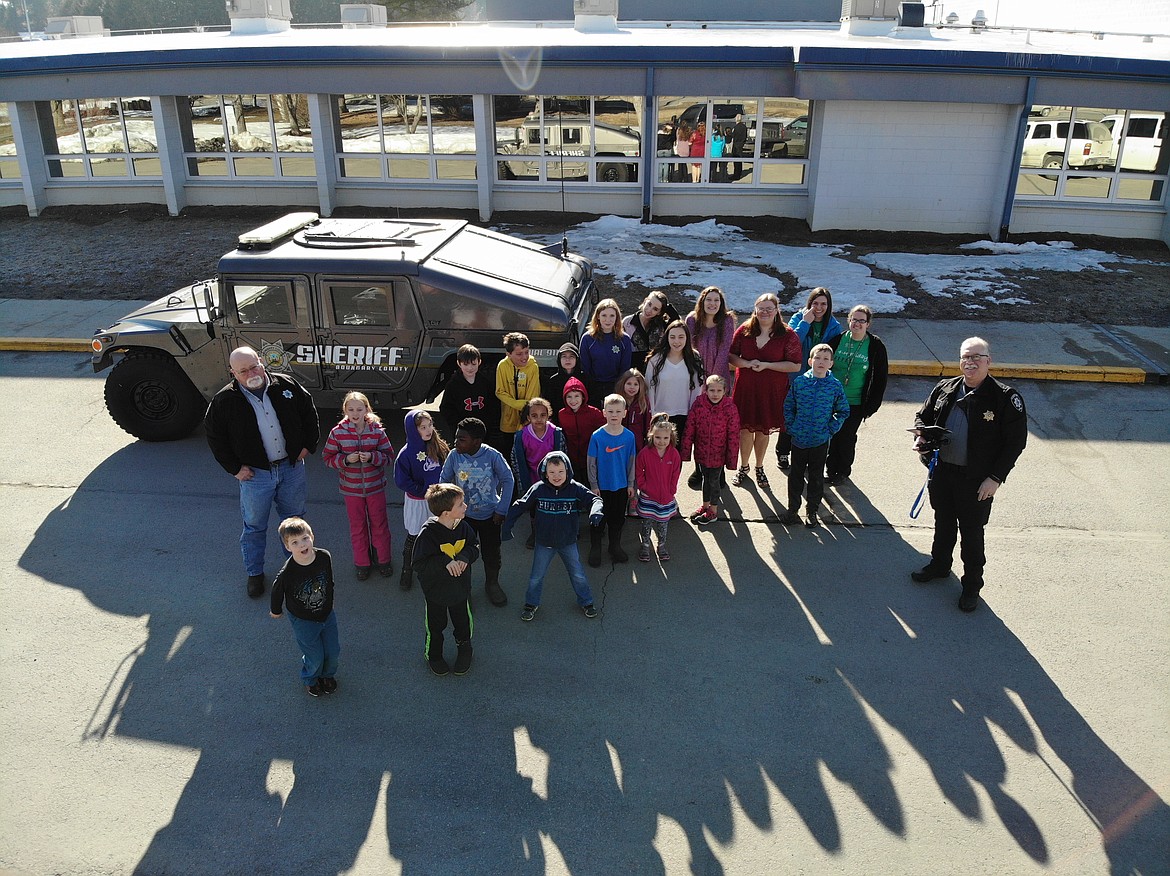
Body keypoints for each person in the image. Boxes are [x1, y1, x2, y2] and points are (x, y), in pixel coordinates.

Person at [911, 337, 1027, 613]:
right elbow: (922, 416)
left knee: (972, 533)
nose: (970, 362)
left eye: (977, 357)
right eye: (966, 357)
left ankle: (972, 586)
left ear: (989, 361)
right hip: (943, 472)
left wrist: (995, 478)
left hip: (977, 479)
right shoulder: (945, 388)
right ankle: (939, 565)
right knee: (944, 523)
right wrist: (921, 436)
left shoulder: (1004, 397)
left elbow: (1015, 442)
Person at [205, 345, 320, 599]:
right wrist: (235, 469)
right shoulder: (225, 400)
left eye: (254, 366)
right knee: (255, 527)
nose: (251, 373)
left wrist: (307, 446)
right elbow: (215, 437)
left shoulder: (286, 385)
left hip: (291, 469)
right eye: (243, 370)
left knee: (295, 522)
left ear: (262, 361)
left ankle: (296, 569)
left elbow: (309, 413)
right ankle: (255, 573)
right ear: (233, 373)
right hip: (256, 476)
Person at [502, 451, 604, 622]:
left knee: (577, 574)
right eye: (552, 472)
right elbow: (520, 505)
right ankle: (531, 603)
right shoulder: (539, 489)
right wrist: (507, 525)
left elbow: (595, 500)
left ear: (567, 471)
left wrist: (596, 511)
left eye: (561, 472)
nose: (557, 476)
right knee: (536, 576)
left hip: (568, 541)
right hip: (544, 542)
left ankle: (586, 601)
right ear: (545, 473)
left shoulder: (575, 488)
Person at [728, 293, 802, 489]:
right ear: (755, 309)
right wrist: (746, 363)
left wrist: (768, 365)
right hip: (746, 388)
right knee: (744, 429)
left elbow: (795, 365)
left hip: (771, 391)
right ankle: (743, 466)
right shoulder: (744, 330)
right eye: (761, 308)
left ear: (777, 310)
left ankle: (759, 466)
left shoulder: (787, 335)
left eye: (770, 308)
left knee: (763, 429)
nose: (765, 312)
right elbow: (731, 356)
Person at [439, 417, 514, 607]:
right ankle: (464, 588)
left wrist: (501, 509)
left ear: (477, 441)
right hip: (464, 518)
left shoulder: (492, 456)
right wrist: (447, 510)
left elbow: (508, 480)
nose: (456, 442)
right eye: (456, 438)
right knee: (463, 554)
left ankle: (492, 583)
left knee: (491, 553)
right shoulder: (454, 456)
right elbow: (444, 480)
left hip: (490, 516)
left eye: (462, 439)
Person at [321, 391, 395, 580]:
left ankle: (383, 559)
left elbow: (389, 457)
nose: (355, 413)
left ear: (366, 410)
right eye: (351, 409)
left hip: (375, 487)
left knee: (379, 524)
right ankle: (362, 563)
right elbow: (327, 458)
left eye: (359, 409)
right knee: (358, 526)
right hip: (351, 490)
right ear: (345, 410)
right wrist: (345, 460)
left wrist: (372, 457)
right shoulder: (337, 432)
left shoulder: (377, 431)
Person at [413, 483, 479, 676]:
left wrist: (464, 557)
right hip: (436, 593)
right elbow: (419, 563)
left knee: (462, 624)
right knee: (435, 626)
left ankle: (465, 649)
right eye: (460, 504)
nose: (465, 506)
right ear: (446, 513)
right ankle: (434, 655)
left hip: (460, 590)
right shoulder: (427, 534)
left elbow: (474, 547)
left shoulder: (463, 527)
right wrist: (444, 562)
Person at [781, 344, 849, 528]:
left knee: (816, 477)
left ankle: (812, 511)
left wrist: (830, 429)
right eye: (818, 358)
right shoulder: (800, 383)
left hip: (820, 440)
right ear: (810, 361)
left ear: (831, 364)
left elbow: (843, 411)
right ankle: (792, 509)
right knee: (795, 475)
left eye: (826, 359)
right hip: (799, 439)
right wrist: (791, 427)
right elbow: (789, 406)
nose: (821, 362)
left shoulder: (834, 386)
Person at [269, 517, 339, 698]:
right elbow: (277, 591)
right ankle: (311, 678)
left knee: (333, 650)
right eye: (295, 542)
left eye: (305, 538)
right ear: (287, 547)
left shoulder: (324, 556)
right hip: (303, 620)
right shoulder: (288, 572)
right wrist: (276, 610)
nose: (302, 545)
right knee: (315, 655)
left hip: (326, 615)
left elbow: (329, 580)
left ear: (312, 537)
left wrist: (331, 600)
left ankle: (327, 675)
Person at [777, 287, 844, 471]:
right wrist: (805, 323)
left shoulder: (833, 326)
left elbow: (831, 355)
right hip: (796, 376)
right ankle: (783, 451)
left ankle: (807, 453)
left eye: (823, 304)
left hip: (819, 379)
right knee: (790, 412)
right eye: (815, 303)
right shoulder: (799, 318)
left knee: (812, 415)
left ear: (829, 306)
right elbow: (790, 343)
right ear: (809, 303)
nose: (819, 308)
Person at [826, 304, 889, 485]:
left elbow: (880, 378)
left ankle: (843, 471)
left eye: (862, 321)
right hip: (831, 399)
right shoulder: (838, 341)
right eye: (854, 319)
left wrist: (871, 406)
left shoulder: (875, 346)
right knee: (832, 436)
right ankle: (830, 470)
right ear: (849, 321)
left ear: (868, 324)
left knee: (846, 437)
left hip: (855, 402)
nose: (857, 324)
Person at [393, 410, 449, 592]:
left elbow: (447, 467)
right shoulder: (406, 453)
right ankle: (407, 569)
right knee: (414, 536)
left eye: (430, 425)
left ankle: (438, 569)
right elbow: (401, 480)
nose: (428, 430)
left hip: (438, 500)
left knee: (438, 535)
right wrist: (421, 491)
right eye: (422, 427)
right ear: (413, 429)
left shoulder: (438, 446)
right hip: (418, 502)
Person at [681, 375, 741, 526]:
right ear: (705, 390)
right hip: (701, 452)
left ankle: (713, 511)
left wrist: (731, 459)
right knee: (705, 479)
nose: (715, 394)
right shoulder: (699, 404)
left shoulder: (730, 408)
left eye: (719, 390)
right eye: (712, 390)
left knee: (713, 482)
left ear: (725, 391)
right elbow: (690, 428)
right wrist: (686, 450)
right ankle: (705, 505)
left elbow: (734, 435)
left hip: (718, 454)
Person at [587, 394, 637, 567]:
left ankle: (614, 546)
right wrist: (594, 485)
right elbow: (591, 463)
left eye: (618, 411)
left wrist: (630, 484)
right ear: (604, 413)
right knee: (598, 519)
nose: (614, 414)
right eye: (610, 411)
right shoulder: (597, 436)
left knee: (617, 519)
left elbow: (632, 462)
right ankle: (595, 548)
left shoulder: (629, 437)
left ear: (624, 413)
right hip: (601, 488)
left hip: (621, 486)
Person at [511, 397, 567, 548]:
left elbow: (563, 456)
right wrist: (522, 482)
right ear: (528, 417)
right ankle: (536, 532)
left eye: (543, 415)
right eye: (534, 416)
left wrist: (561, 477)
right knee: (535, 507)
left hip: (553, 476)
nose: (539, 419)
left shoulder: (556, 433)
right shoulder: (521, 436)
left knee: (555, 504)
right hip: (532, 477)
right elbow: (516, 460)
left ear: (548, 415)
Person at [645, 319, 705, 441]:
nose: (676, 341)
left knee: (677, 456)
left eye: (681, 337)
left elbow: (697, 389)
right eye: (672, 337)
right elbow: (649, 389)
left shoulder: (694, 358)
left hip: (684, 414)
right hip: (660, 415)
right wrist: (652, 415)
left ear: (687, 338)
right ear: (667, 338)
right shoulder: (656, 360)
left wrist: (693, 415)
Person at [635, 416, 682, 561]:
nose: (661, 441)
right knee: (646, 522)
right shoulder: (645, 453)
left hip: (666, 497)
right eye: (658, 437)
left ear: (671, 437)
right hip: (648, 497)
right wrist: (644, 487)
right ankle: (645, 545)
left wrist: (671, 490)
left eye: (665, 438)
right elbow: (638, 471)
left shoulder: (674, 454)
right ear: (651, 436)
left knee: (663, 524)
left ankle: (661, 545)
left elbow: (676, 473)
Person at [439, 344, 501, 450]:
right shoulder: (453, 385)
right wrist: (458, 426)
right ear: (459, 363)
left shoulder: (485, 382)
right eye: (466, 364)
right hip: (462, 433)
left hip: (482, 431)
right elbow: (446, 408)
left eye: (473, 364)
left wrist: (488, 424)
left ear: (479, 362)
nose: (470, 368)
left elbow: (493, 404)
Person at [495, 332, 540, 456]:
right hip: (508, 421)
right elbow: (500, 392)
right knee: (509, 454)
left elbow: (532, 399)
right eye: (519, 354)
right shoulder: (502, 366)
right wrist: (517, 404)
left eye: (527, 352)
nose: (524, 357)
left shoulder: (533, 367)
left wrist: (521, 406)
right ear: (508, 354)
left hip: (526, 421)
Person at [579, 299, 632, 404]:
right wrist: (591, 386)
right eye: (604, 315)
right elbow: (585, 367)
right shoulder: (588, 339)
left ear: (617, 317)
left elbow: (625, 367)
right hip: (593, 386)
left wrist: (618, 387)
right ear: (598, 316)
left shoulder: (624, 339)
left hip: (615, 387)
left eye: (612, 316)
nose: (608, 320)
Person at [686, 285, 736, 386]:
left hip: (719, 377)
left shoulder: (727, 321)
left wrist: (713, 379)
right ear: (702, 302)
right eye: (708, 299)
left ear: (720, 303)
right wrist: (699, 375)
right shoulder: (692, 320)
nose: (712, 303)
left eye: (716, 300)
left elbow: (724, 350)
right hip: (696, 375)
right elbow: (689, 349)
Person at [558, 376, 605, 480]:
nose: (573, 400)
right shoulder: (562, 414)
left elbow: (605, 433)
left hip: (591, 459)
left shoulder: (594, 413)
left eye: (576, 396)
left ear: (583, 397)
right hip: (571, 460)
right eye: (569, 396)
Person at [622, 291, 676, 372]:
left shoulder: (661, 326)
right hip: (633, 372)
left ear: (659, 313)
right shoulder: (628, 322)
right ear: (645, 301)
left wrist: (668, 308)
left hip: (654, 370)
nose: (649, 310)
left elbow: (677, 325)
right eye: (649, 304)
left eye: (655, 309)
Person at [544, 342, 582, 426]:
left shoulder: (586, 379)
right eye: (564, 357)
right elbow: (548, 405)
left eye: (571, 356)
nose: (567, 360)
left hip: (582, 422)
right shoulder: (553, 381)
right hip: (559, 423)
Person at [616, 368, 652, 452]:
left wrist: (647, 441)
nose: (632, 387)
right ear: (623, 384)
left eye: (636, 384)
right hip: (620, 441)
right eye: (629, 384)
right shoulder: (617, 400)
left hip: (637, 442)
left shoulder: (643, 401)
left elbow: (648, 424)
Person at [730, 113, 748, 180]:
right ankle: (739, 173)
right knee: (740, 161)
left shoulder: (735, 127)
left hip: (736, 145)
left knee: (736, 161)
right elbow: (745, 136)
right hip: (741, 145)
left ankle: (736, 175)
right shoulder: (744, 127)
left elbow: (733, 135)